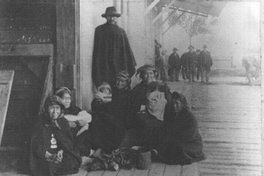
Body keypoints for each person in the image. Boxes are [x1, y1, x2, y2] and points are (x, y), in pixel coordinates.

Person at [30, 96, 81, 176]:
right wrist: (50, 156)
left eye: (57, 108)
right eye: (51, 108)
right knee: (47, 166)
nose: (55, 112)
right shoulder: (41, 122)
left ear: (61, 110)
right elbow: (36, 146)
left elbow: (68, 144)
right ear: (46, 109)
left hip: (59, 156)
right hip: (45, 157)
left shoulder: (63, 122)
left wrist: (61, 152)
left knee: (72, 162)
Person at [92, 6, 136, 87]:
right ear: (106, 17)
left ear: (117, 17)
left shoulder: (121, 32)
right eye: (109, 16)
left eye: (114, 16)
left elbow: (127, 51)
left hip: (119, 66)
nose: (111, 19)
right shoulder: (99, 30)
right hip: (105, 65)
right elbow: (97, 51)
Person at [90, 71, 132, 155]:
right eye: (118, 80)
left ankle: (104, 149)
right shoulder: (110, 91)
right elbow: (95, 107)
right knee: (95, 118)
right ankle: (97, 148)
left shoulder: (129, 95)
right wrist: (97, 101)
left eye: (123, 81)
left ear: (127, 83)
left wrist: (105, 106)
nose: (119, 83)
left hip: (120, 120)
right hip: (107, 116)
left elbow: (122, 111)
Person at [158, 92, 206, 165]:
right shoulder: (174, 113)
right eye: (173, 103)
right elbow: (169, 128)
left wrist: (173, 140)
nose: (174, 106)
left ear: (182, 104)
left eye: (177, 104)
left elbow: (190, 136)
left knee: (178, 149)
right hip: (179, 140)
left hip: (192, 143)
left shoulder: (189, 116)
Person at [55, 87, 92, 157]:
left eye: (69, 98)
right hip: (66, 136)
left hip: (78, 134)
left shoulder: (75, 109)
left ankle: (83, 154)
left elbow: (84, 119)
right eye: (64, 98)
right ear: (59, 99)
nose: (67, 101)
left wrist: (78, 123)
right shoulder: (57, 110)